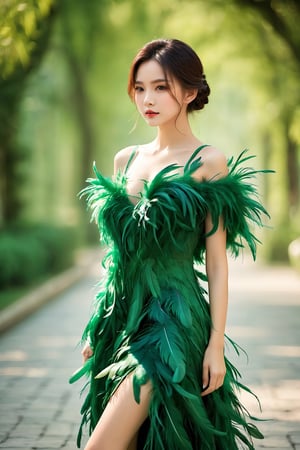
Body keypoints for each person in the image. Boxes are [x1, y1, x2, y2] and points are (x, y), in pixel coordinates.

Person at [70, 38, 270, 450]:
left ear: (191, 91)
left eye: (161, 87)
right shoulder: (126, 159)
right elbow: (119, 255)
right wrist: (99, 324)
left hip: (174, 326)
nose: (148, 99)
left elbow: (217, 264)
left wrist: (215, 344)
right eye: (140, 88)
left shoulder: (208, 161)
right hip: (124, 320)